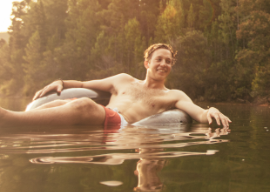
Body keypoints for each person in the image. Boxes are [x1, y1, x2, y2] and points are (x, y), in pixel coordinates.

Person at [0, 43, 231, 130]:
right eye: (159, 59)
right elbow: (82, 84)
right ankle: (12, 124)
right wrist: (60, 82)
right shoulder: (122, 80)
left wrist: (210, 110)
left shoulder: (173, 95)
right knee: (64, 102)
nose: (163, 64)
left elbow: (198, 113)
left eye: (168, 61)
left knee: (83, 105)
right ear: (147, 63)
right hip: (96, 112)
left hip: (117, 123)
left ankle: (7, 120)